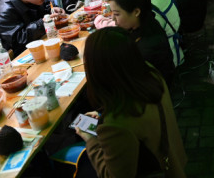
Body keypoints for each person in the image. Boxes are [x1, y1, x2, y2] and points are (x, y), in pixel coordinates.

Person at [76, 27, 186, 178]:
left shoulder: (116, 124)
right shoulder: (149, 72)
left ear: (98, 70)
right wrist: (104, 115)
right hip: (174, 160)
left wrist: (91, 140)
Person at [106, 0, 175, 84]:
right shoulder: (147, 22)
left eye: (117, 14)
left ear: (136, 12)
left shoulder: (147, 46)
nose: (113, 19)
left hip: (153, 92)